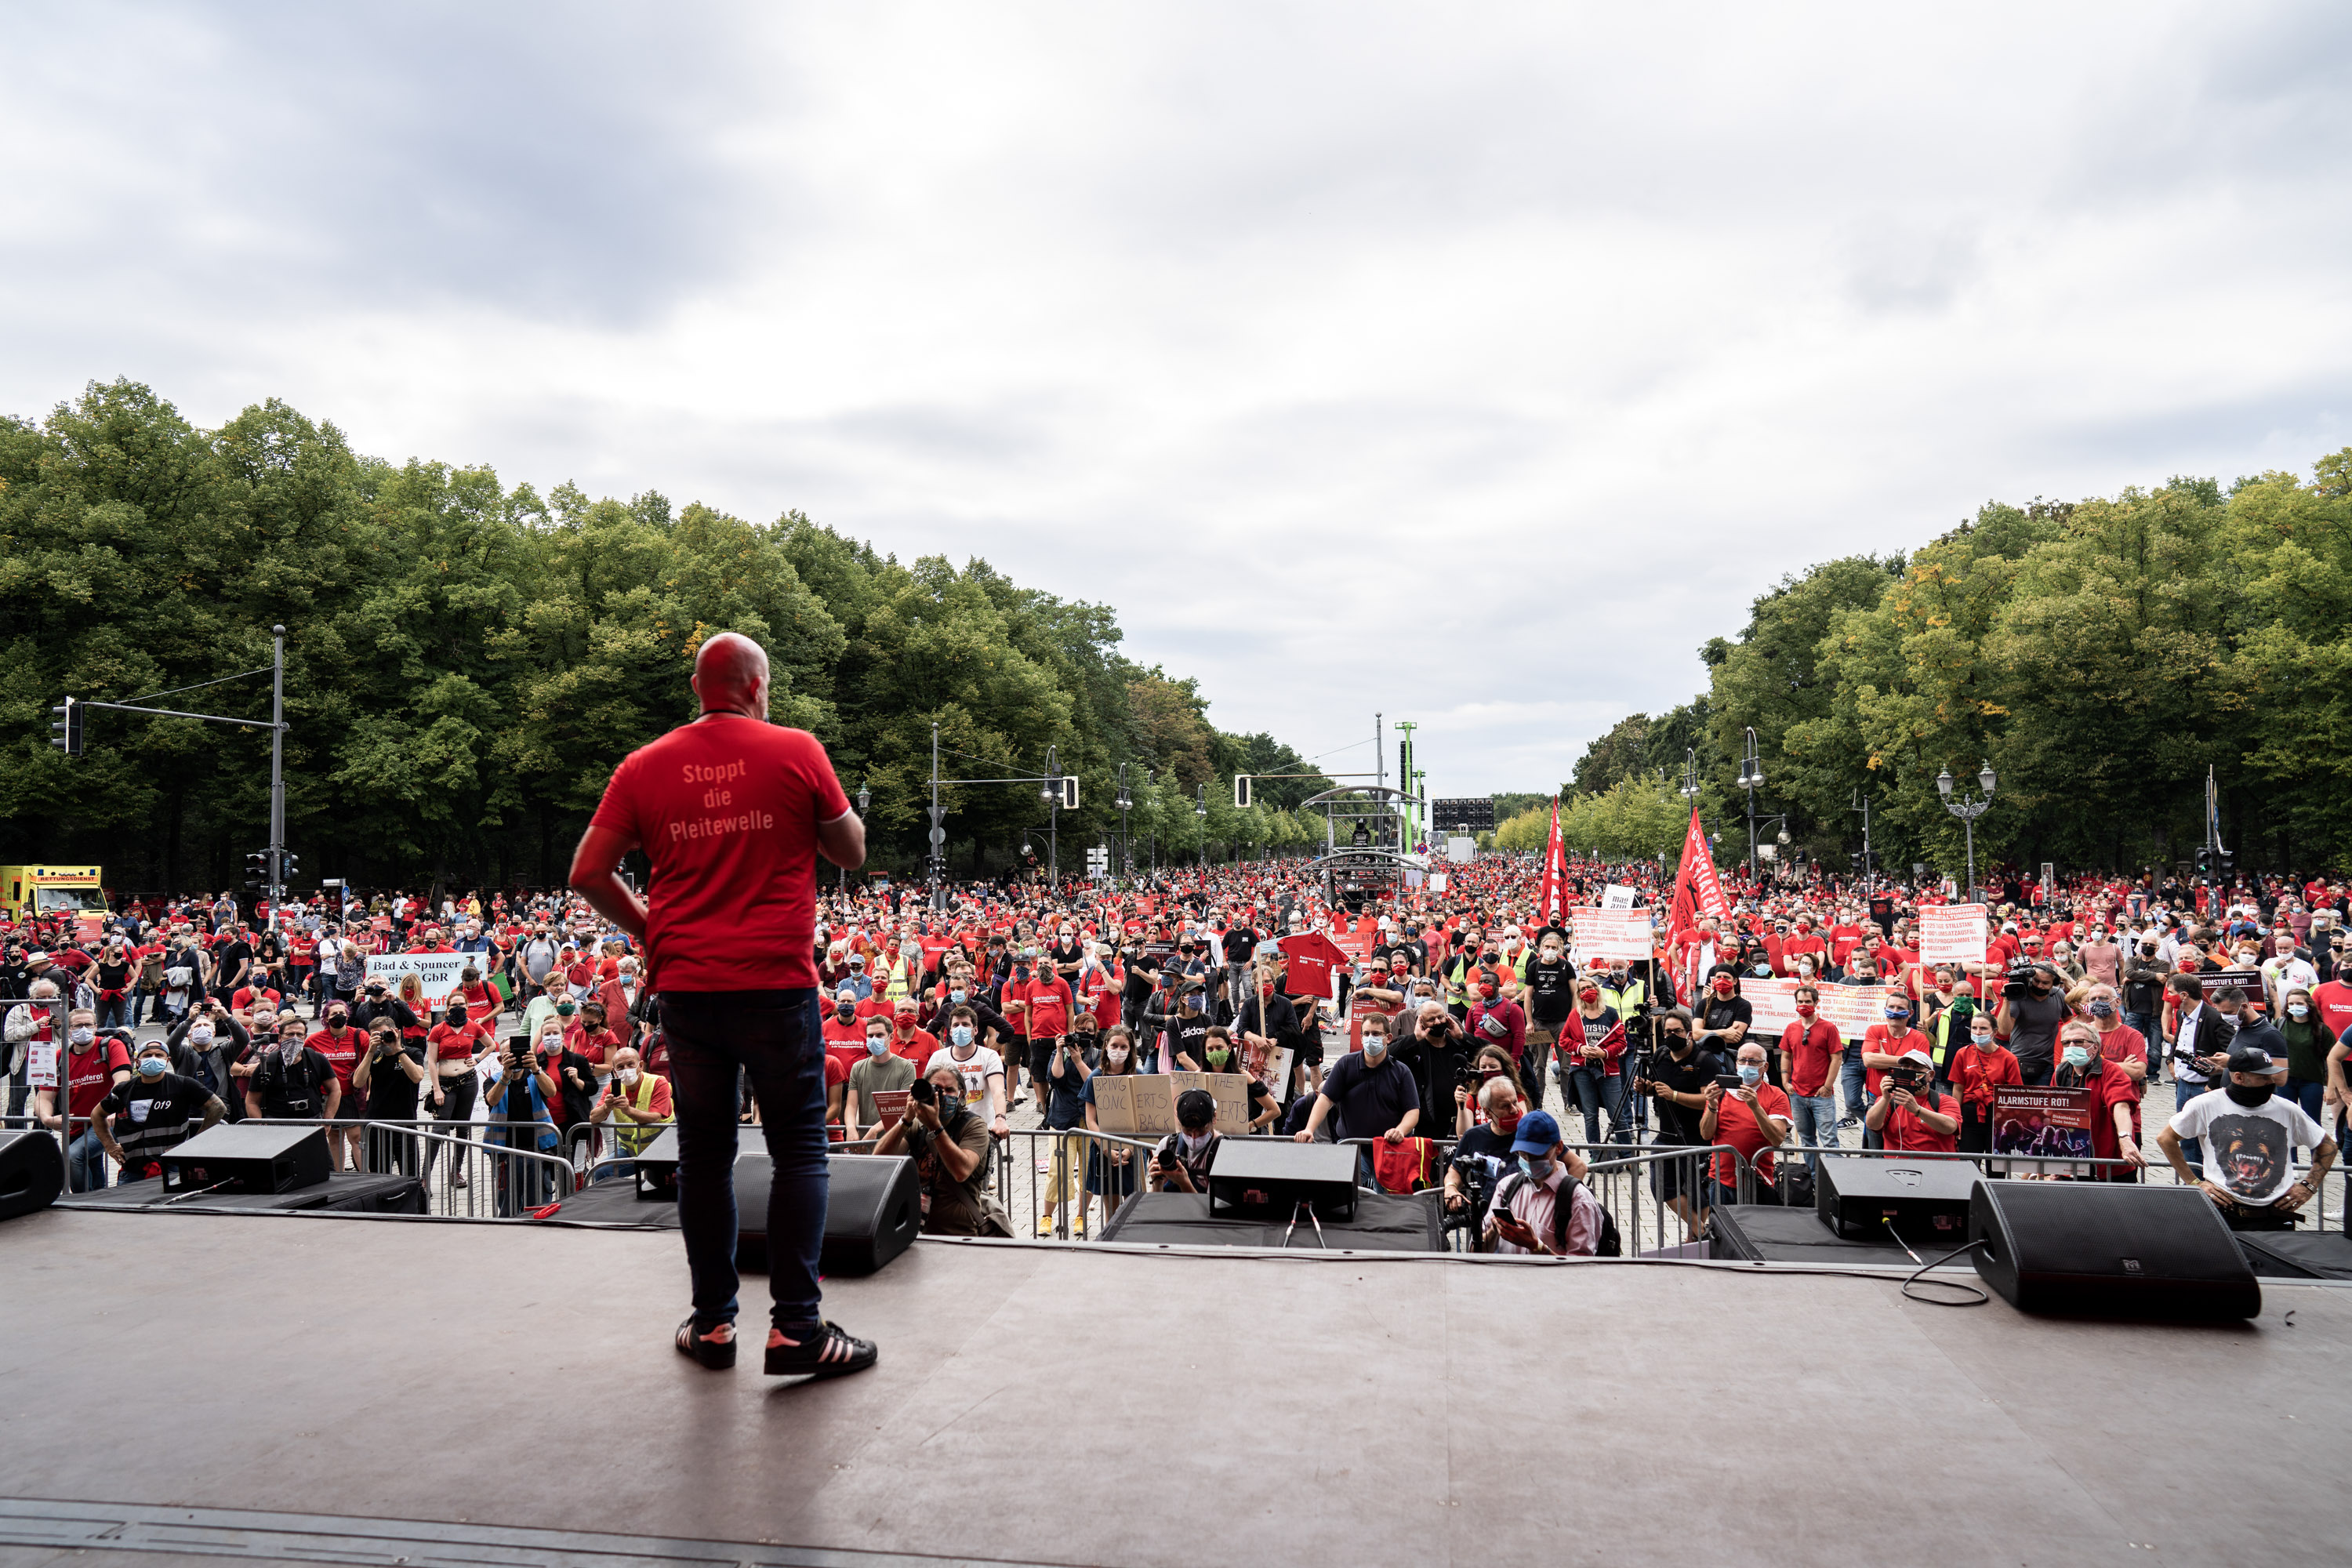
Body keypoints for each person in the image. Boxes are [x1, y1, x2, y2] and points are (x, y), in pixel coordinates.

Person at [570, 630, 878, 1378]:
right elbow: (852, 853)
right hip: (776, 984)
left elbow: (588, 872)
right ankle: (797, 1330)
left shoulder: (642, 766)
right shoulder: (797, 750)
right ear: (757, 685)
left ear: (699, 692)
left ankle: (713, 1327)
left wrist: (654, 931)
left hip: (688, 990)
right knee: (798, 1149)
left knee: (704, 1158)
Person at [2158, 1041, 2336, 1232]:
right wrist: (2194, 1182)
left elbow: (2328, 1146)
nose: (2271, 1082)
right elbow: (2165, 1138)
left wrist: (2308, 1186)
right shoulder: (2205, 1104)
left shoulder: (2287, 1110)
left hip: (2276, 1216)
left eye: (2271, 1075)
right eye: (2263, 1078)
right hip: (2223, 1213)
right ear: (2239, 1077)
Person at [1291, 1014, 1421, 1186]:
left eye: (1376, 1034)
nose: (1370, 1038)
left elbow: (1412, 1111)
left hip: (1391, 1150)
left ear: (1388, 1038)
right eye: (1366, 1034)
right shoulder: (1346, 1064)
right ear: (1360, 1038)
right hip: (1353, 1148)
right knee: (1342, 1197)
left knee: (1389, 1205)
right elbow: (1325, 1100)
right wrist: (1309, 1129)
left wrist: (1400, 1130)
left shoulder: (1401, 1072)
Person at [873, 1065, 996, 1236]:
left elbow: (961, 1171)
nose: (943, 1095)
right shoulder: (917, 1125)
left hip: (961, 1234)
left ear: (961, 1094)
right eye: (936, 1089)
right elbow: (879, 1159)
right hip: (916, 1232)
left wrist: (935, 1127)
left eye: (950, 1090)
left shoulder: (973, 1126)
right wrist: (906, 1119)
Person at [1632, 1007, 1720, 1240]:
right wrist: (1646, 1088)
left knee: (1697, 1192)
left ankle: (1693, 1238)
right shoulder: (1660, 1054)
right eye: (1668, 1031)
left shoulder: (1704, 1060)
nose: (1673, 1036)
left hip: (1696, 1136)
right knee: (1662, 1187)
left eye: (1678, 1031)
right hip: (1666, 1134)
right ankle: (1700, 1231)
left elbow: (1708, 1100)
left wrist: (1674, 1095)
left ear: (1689, 1032)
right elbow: (1657, 1089)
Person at [94, 1038, 227, 1182]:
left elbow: (218, 1107)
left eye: (159, 1055)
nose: (153, 1058)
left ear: (167, 1060)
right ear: (137, 1061)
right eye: (147, 1055)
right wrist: (110, 1145)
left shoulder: (183, 1084)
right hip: (132, 1171)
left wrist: (194, 1143)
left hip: (173, 1168)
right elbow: (97, 1114)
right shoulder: (123, 1090)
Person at [1481, 1109, 1603, 1257]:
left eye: (1537, 1154)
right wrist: (1495, 1230)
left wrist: (1536, 1246)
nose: (1529, 1160)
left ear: (1558, 1148)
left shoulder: (1579, 1201)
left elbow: (1580, 1269)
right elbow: (1476, 1252)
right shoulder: (1507, 1187)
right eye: (1523, 1154)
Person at [34, 1011, 132, 1192]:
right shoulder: (58, 1057)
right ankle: (98, 1204)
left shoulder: (111, 1046)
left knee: (73, 1157)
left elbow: (123, 1081)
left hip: (105, 1122)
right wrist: (48, 1119)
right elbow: (43, 1096)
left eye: (88, 1025)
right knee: (93, 1169)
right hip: (76, 1126)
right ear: (68, 1030)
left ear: (96, 1027)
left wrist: (113, 1108)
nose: (84, 1029)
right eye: (78, 1026)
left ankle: (82, 1201)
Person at [1699, 1041, 1791, 1210]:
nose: (1746, 1065)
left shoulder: (1776, 1095)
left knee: (1755, 1234)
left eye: (1753, 1062)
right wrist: (1712, 1105)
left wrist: (1755, 1107)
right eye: (1742, 1060)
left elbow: (1777, 1139)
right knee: (1722, 1232)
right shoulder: (1722, 1092)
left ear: (1765, 1067)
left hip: (1758, 1180)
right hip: (1721, 1180)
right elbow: (1706, 1134)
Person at [2049, 1021, 2145, 1179]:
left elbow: (2120, 1106)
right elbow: (2053, 1114)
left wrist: (2125, 1138)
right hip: (2072, 1161)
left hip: (2108, 1162)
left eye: (2078, 1041)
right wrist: (2055, 1163)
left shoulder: (2111, 1071)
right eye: (2066, 1042)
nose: (2071, 1046)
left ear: (2094, 1047)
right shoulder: (2060, 1072)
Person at [1777, 984, 1842, 1167]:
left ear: (1816, 1003)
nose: (1803, 1005)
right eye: (1800, 1001)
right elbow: (1786, 1055)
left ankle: (1836, 1184)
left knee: (1829, 1142)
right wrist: (1785, 1081)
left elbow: (1836, 1058)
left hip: (1821, 1095)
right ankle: (1814, 1180)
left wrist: (1827, 1087)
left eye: (1807, 1001)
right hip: (1797, 1094)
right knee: (1807, 1142)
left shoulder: (1828, 1028)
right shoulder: (1791, 1028)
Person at [1948, 1012, 2021, 1154]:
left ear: (1994, 1032)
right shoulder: (1962, 1054)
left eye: (1983, 1028)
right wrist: (1957, 1120)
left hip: (1998, 1115)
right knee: (1968, 1162)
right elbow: (1957, 1089)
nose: (1978, 1032)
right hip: (1969, 1114)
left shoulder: (2009, 1058)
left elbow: (2015, 1093)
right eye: (1974, 1028)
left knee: (1996, 1166)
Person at [1864, 1049, 1959, 1153]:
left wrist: (1918, 1110)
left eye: (1916, 1067)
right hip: (1897, 1166)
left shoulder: (1945, 1101)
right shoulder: (1890, 1100)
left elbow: (1951, 1128)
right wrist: (1885, 1098)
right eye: (1905, 1066)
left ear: (1930, 1075)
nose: (1910, 1070)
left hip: (1936, 1165)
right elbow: (1872, 1125)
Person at [1148, 1087, 1224, 1194]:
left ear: (1214, 1118)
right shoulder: (1168, 1145)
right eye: (1188, 1132)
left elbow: (1211, 1208)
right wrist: (1157, 1183)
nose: (1194, 1137)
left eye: (1201, 1131)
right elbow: (1155, 1203)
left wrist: (1183, 1183)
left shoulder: (1222, 1152)